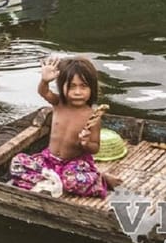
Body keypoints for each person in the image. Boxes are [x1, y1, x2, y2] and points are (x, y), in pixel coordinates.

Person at [9, 55, 117, 198]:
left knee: (71, 182)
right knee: (17, 162)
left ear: (92, 88)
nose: (77, 92)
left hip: (74, 164)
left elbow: (95, 148)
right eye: (72, 86)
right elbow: (44, 92)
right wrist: (45, 80)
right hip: (49, 160)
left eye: (83, 86)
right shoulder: (59, 103)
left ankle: (99, 178)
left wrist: (85, 143)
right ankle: (52, 180)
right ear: (62, 87)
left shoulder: (92, 117)